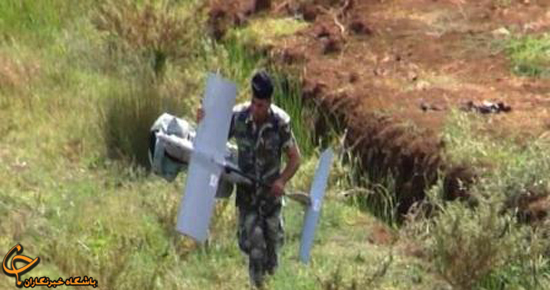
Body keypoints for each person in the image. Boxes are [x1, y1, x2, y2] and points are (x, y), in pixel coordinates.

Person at [196, 70, 301, 287]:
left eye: (261, 105)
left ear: (269, 102)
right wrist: (203, 121)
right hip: (247, 198)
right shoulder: (238, 117)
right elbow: (212, 139)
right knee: (255, 246)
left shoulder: (280, 123)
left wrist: (282, 181)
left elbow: (295, 159)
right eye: (253, 103)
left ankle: (268, 274)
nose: (255, 109)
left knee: (271, 257)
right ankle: (256, 284)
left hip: (271, 200)